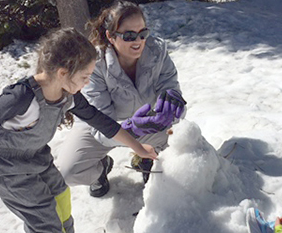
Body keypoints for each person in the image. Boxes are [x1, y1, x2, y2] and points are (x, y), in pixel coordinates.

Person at [0, 28, 157, 233]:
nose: (87, 83)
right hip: (5, 167)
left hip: (35, 156)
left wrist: (137, 146)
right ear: (63, 73)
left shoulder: (68, 96)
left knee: (60, 195)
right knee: (43, 218)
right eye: (84, 77)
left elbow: (101, 121)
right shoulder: (21, 97)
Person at [57, 0, 186, 197]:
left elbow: (169, 85)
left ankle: (145, 158)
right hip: (99, 127)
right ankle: (100, 169)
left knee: (180, 155)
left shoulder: (157, 51)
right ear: (110, 36)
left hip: (147, 123)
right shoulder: (94, 64)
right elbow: (100, 123)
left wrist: (172, 100)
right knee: (69, 171)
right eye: (129, 36)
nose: (138, 41)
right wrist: (129, 129)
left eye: (143, 33)